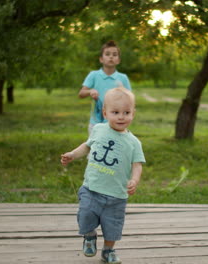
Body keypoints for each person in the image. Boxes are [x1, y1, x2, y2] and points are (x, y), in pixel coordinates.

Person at [61, 87, 145, 264]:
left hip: (116, 195)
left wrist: (134, 180)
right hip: (92, 188)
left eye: (126, 112)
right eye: (115, 112)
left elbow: (137, 165)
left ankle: (108, 251)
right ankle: (89, 235)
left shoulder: (134, 143)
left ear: (133, 114)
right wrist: (72, 154)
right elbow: (87, 146)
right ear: (105, 113)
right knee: (85, 215)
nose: (121, 117)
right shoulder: (99, 129)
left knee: (113, 226)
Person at [79, 40, 131, 134]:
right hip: (96, 122)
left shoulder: (123, 78)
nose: (111, 57)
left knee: (115, 147)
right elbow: (81, 93)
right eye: (107, 54)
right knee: (96, 147)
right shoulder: (93, 75)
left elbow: (131, 100)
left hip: (117, 122)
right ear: (101, 59)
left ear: (118, 60)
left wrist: (123, 91)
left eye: (114, 55)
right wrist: (90, 91)